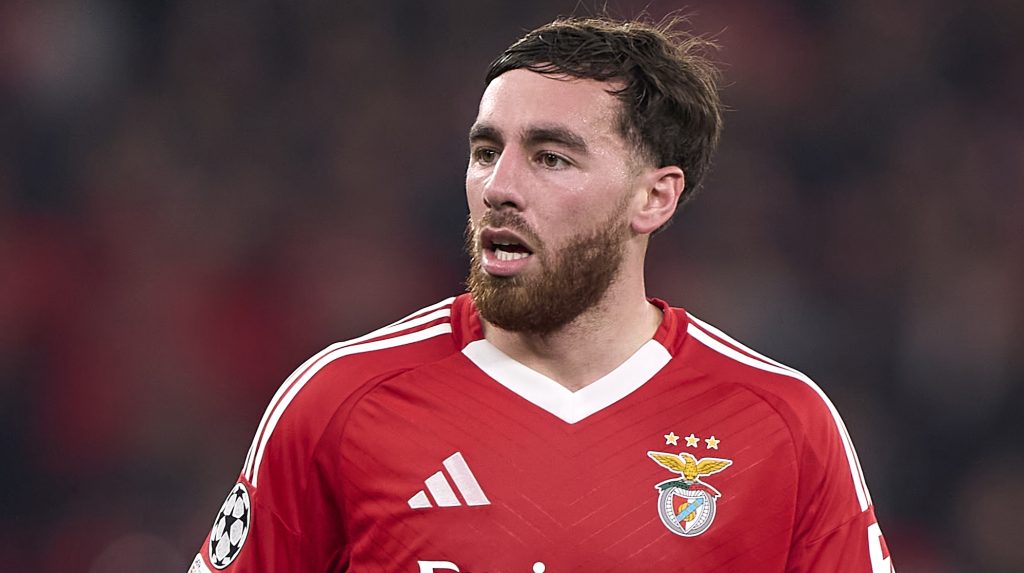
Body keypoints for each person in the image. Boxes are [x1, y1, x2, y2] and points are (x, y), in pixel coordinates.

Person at [189, 16, 893, 573]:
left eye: (551, 157)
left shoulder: (783, 425)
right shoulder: (340, 401)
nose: (498, 186)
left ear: (653, 197)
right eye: (487, 150)